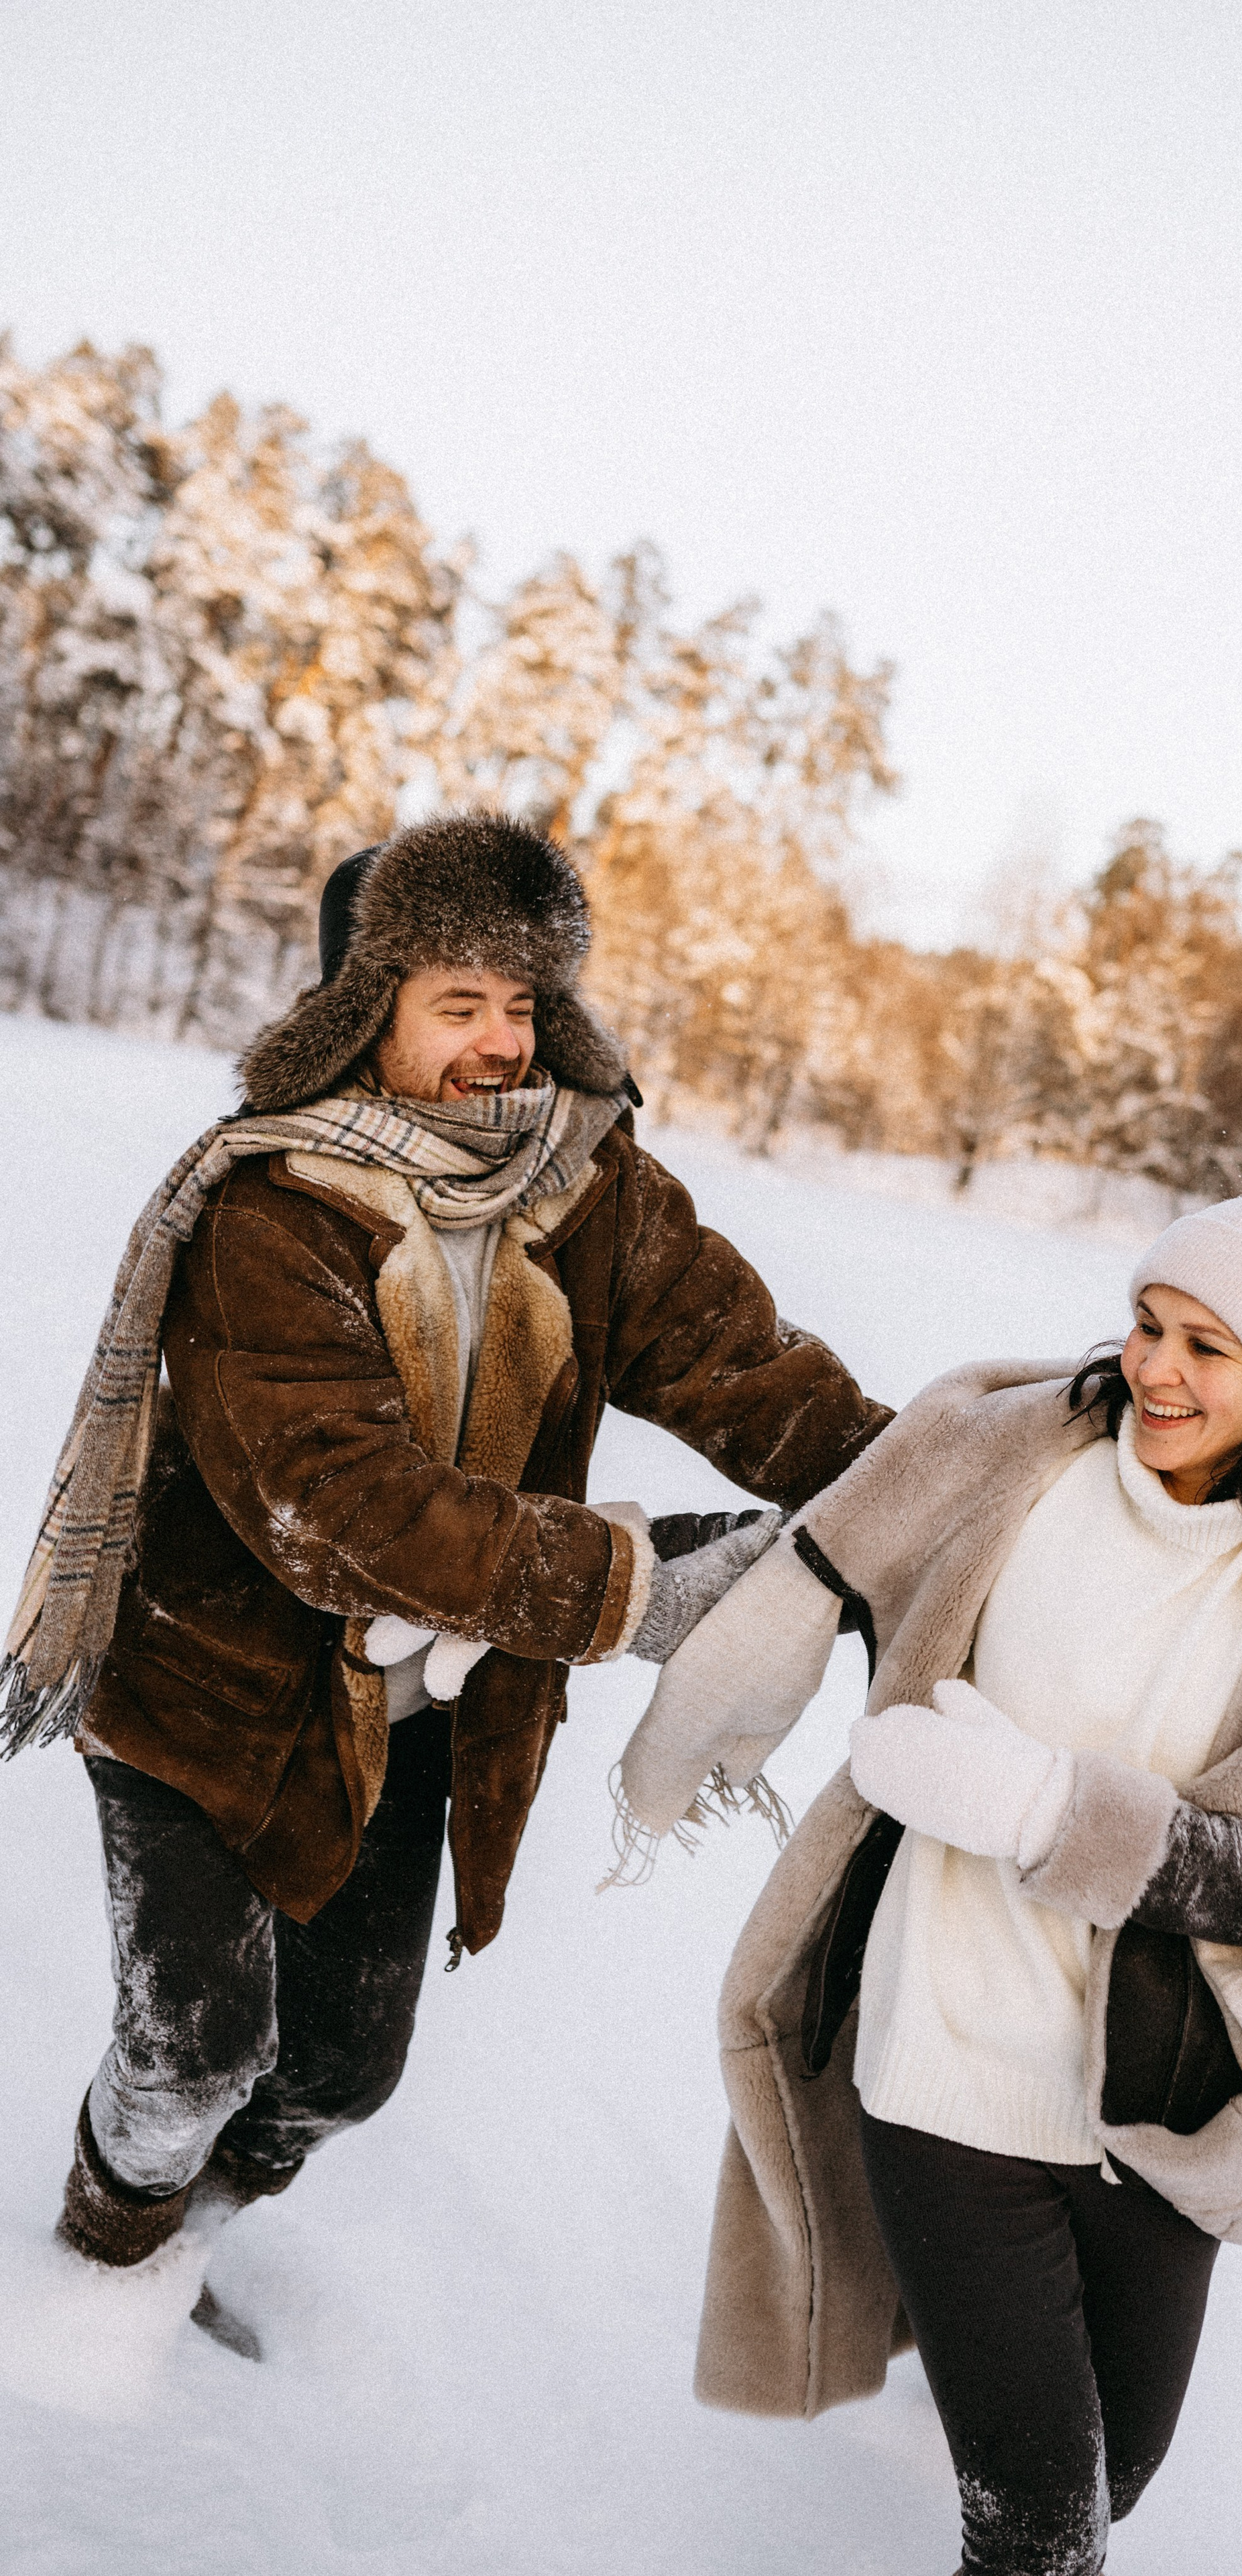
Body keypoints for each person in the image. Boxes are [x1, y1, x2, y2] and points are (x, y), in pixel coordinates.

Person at [0, 811, 889, 2330]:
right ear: (366, 1009)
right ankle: (102, 2266)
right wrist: (633, 1588)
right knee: (194, 2046)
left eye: (524, 1003)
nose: (499, 1043)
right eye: (456, 1003)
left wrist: (918, 1487)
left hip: (415, 1713)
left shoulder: (587, 1184)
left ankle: (191, 2240)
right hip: (213, 1695)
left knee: (343, 2070)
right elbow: (334, 1500)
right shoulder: (269, 1207)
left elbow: (742, 1367)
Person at [615, 1183, 1242, 2576]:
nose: (1155, 1371)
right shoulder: (1012, 1460)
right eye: (1147, 1323)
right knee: (1040, 2533)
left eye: (1208, 1347)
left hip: (1155, 2099)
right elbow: (793, 1562)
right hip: (941, 2061)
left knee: (1112, 2477)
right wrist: (530, 1591)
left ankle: (989, 2384)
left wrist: (1055, 1814)